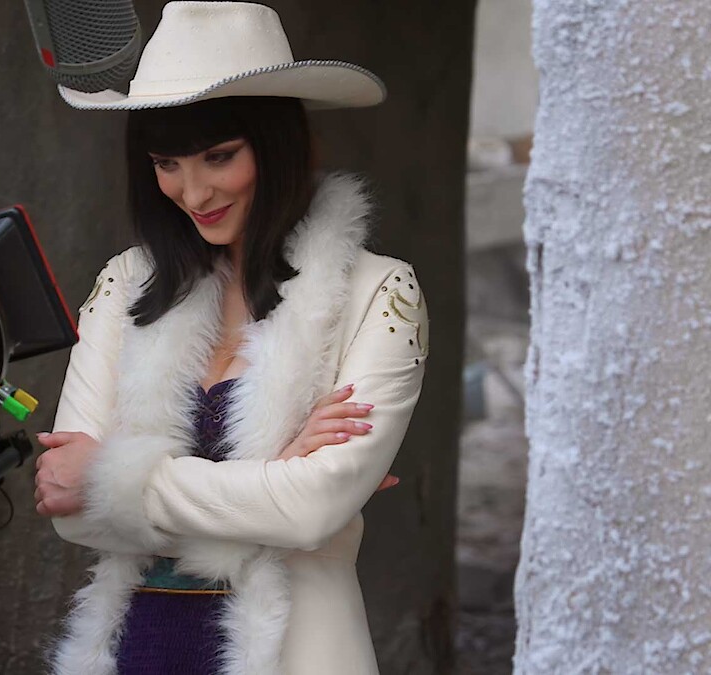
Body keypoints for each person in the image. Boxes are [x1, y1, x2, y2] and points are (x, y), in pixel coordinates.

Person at [33, 3, 428, 674]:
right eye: (167, 162)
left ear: (277, 144)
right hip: (137, 648)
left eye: (219, 156)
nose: (193, 191)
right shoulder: (126, 284)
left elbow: (310, 511)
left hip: (295, 650)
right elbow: (69, 508)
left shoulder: (379, 294)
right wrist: (272, 476)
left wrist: (114, 478)